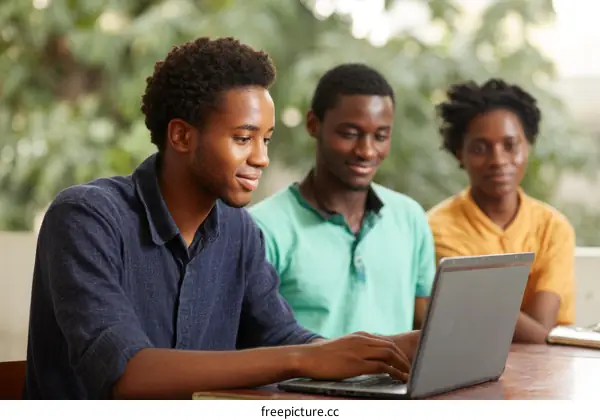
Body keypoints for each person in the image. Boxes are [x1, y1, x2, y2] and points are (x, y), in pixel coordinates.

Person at [22, 37, 421, 400]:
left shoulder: (239, 231)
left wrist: (392, 348)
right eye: (243, 138)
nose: (261, 158)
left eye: (265, 139)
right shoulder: (86, 218)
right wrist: (303, 358)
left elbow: (280, 335)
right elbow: (128, 372)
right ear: (181, 136)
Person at [249, 63, 436, 339]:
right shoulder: (263, 227)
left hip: (396, 382)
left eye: (381, 136)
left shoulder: (409, 217)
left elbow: (428, 325)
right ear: (314, 125)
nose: (367, 151)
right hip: (298, 383)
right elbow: (253, 339)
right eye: (350, 134)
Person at [427, 78, 576, 344]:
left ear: (527, 146)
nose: (498, 160)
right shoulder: (436, 228)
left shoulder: (553, 226)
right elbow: (530, 334)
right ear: (459, 153)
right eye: (480, 148)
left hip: (550, 368)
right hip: (466, 363)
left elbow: (541, 327)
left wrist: (479, 298)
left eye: (510, 145)